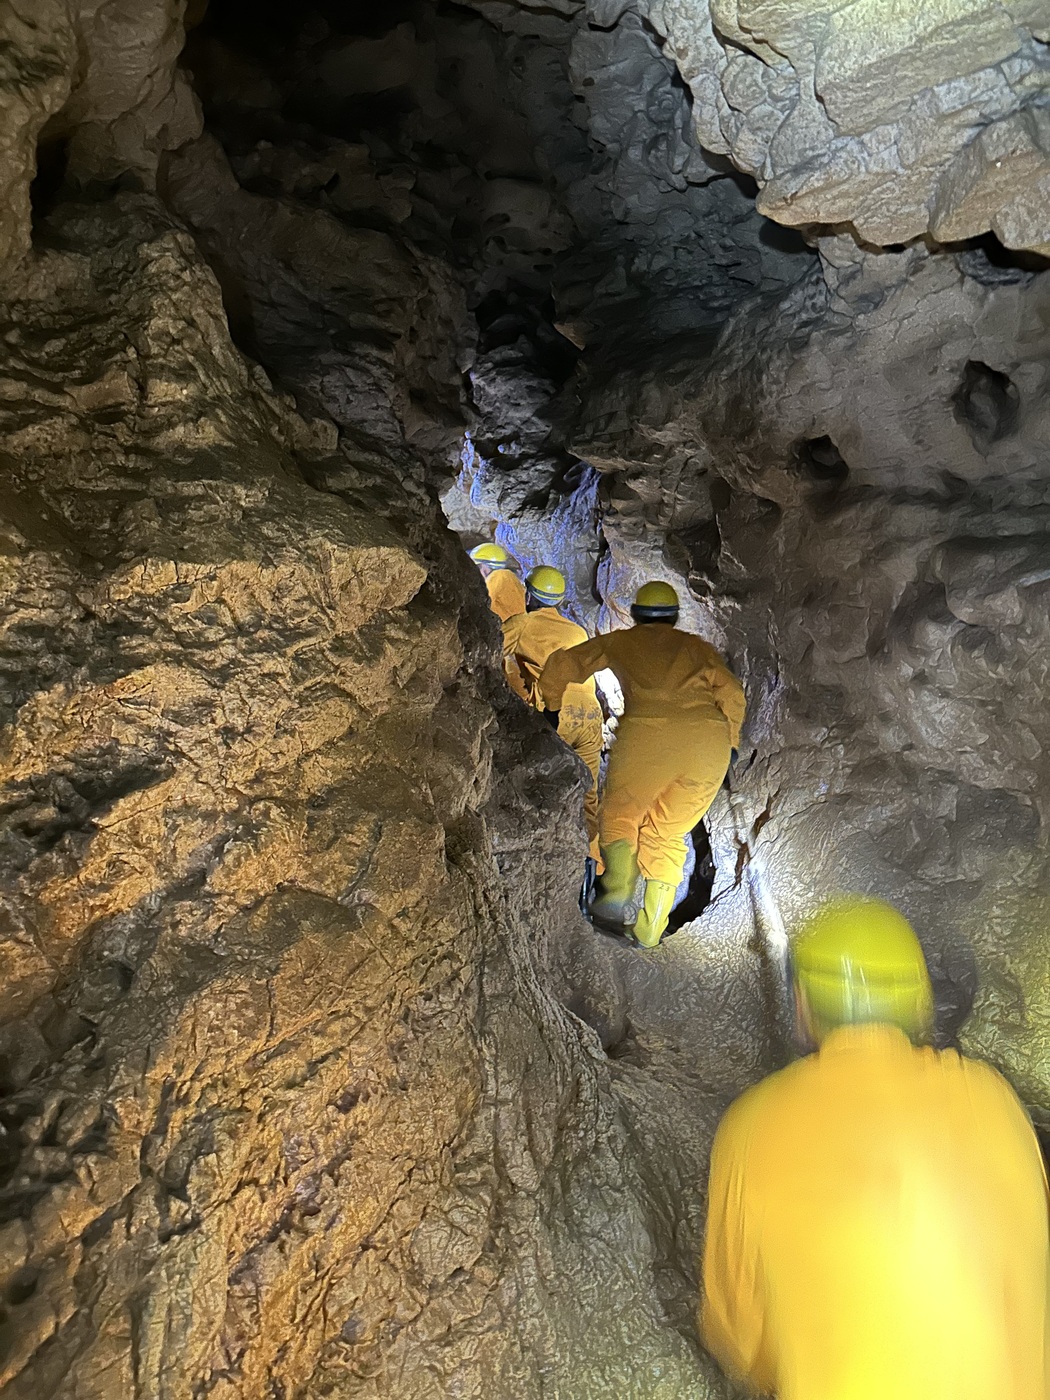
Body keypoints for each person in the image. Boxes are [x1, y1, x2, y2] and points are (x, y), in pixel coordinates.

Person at [701, 895, 1050, 1400]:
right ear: (920, 1001)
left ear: (802, 1004)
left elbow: (740, 1338)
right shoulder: (995, 1101)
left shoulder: (755, 1126)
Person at [539, 581, 744, 947]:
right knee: (667, 833)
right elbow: (732, 693)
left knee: (620, 815)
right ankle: (649, 929)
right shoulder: (697, 648)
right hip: (708, 742)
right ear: (674, 617)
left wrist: (552, 707)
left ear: (635, 614)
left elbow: (564, 664)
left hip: (648, 735)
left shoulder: (622, 642)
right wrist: (730, 742)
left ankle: (615, 895)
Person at [502, 566, 603, 865]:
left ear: (528, 594)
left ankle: (549, 861)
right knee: (588, 792)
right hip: (590, 714)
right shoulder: (577, 631)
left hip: (558, 712)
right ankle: (592, 861)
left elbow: (487, 646)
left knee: (546, 783)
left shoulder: (524, 624)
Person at [469, 542, 526, 622]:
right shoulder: (506, 578)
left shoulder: (500, 576)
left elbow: (484, 605)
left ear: (485, 568)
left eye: (477, 567)